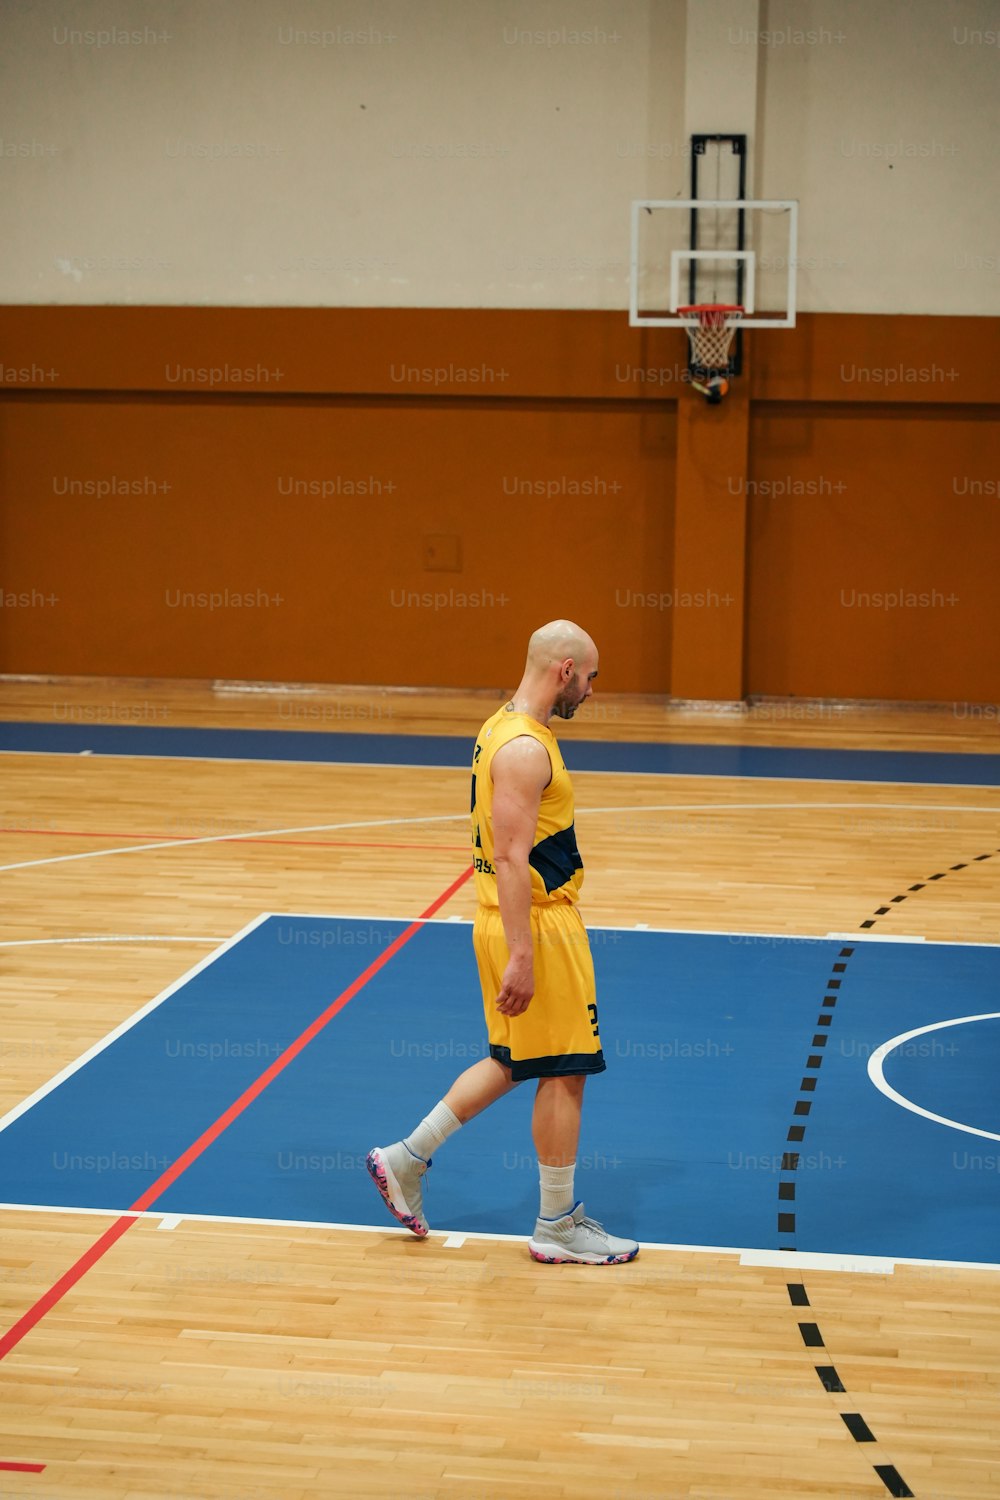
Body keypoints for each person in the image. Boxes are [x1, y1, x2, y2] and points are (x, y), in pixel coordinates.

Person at [366, 620, 638, 1265]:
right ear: (565, 669)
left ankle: (405, 1159)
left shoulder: (501, 727)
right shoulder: (522, 748)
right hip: (536, 924)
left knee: (518, 1060)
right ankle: (558, 1225)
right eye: (592, 678)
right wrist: (523, 954)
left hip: (509, 919)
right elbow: (514, 858)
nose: (593, 693)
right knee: (568, 1070)